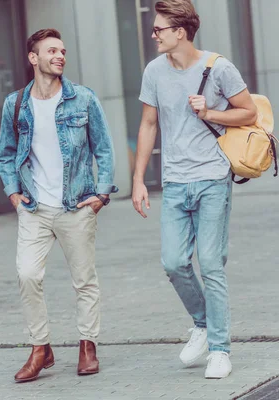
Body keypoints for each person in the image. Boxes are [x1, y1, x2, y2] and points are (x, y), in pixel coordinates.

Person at [132, 0, 257, 379]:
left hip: (212, 179)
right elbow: (148, 125)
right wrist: (139, 179)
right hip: (174, 182)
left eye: (158, 29)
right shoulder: (154, 70)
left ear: (180, 32)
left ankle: (220, 349)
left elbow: (249, 112)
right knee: (173, 262)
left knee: (212, 264)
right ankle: (203, 324)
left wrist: (211, 113)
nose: (153, 34)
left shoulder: (217, 67)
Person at [0, 28, 117, 383]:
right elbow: (6, 154)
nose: (60, 56)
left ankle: (87, 345)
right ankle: (40, 347)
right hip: (34, 207)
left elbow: (104, 149)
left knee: (84, 280)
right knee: (27, 275)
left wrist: (102, 194)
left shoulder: (83, 99)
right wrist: (14, 194)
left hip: (76, 205)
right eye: (51, 51)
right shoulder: (15, 104)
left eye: (62, 50)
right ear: (33, 58)